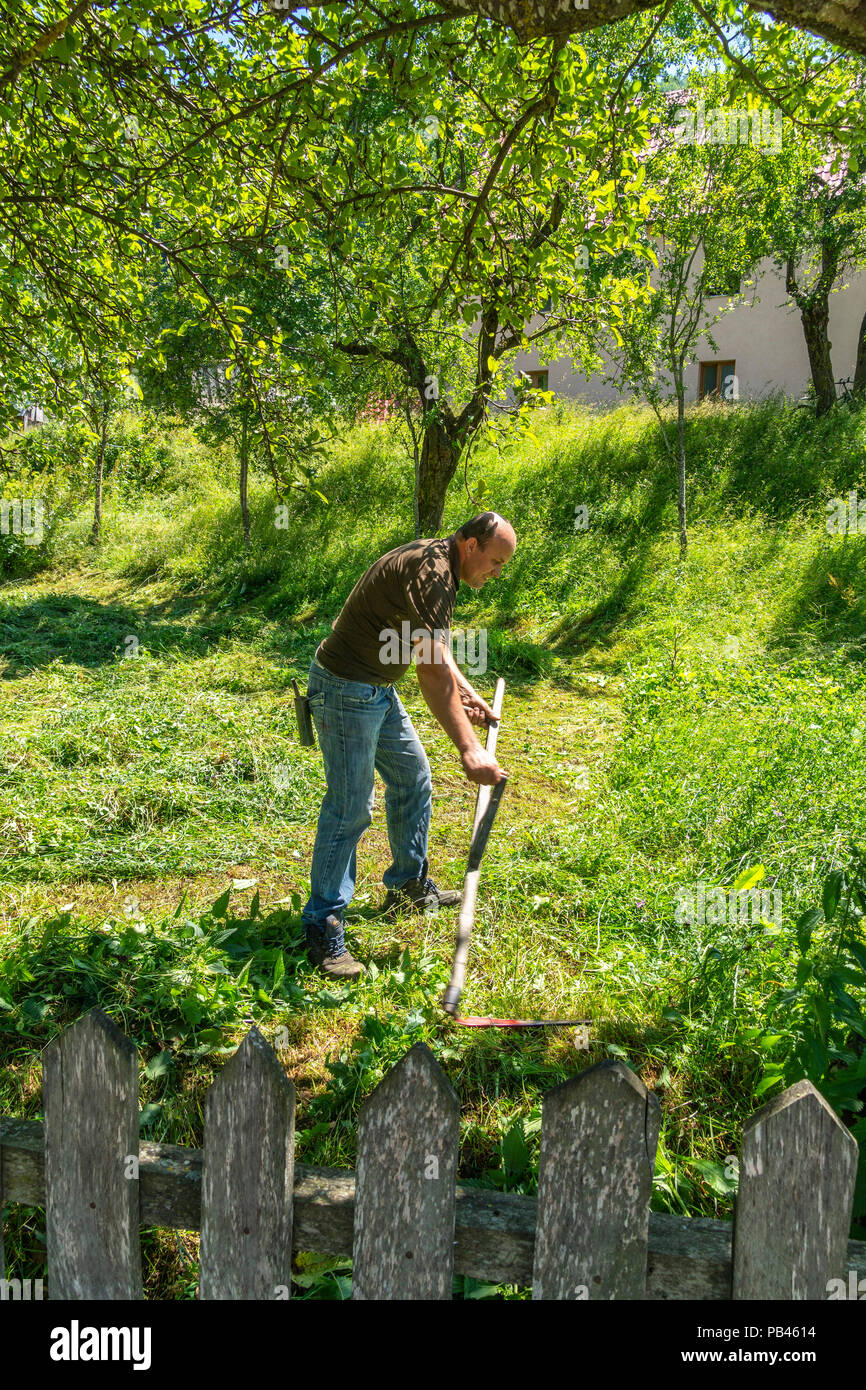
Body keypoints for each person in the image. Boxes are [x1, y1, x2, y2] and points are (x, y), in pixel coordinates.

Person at [301, 511, 515, 978]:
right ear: (472, 545)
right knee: (351, 806)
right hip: (345, 689)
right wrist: (469, 748)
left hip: (376, 688)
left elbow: (430, 649)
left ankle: (407, 886)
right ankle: (323, 923)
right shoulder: (433, 572)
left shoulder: (440, 562)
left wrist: (465, 691)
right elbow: (430, 670)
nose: (496, 573)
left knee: (412, 779)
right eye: (495, 562)